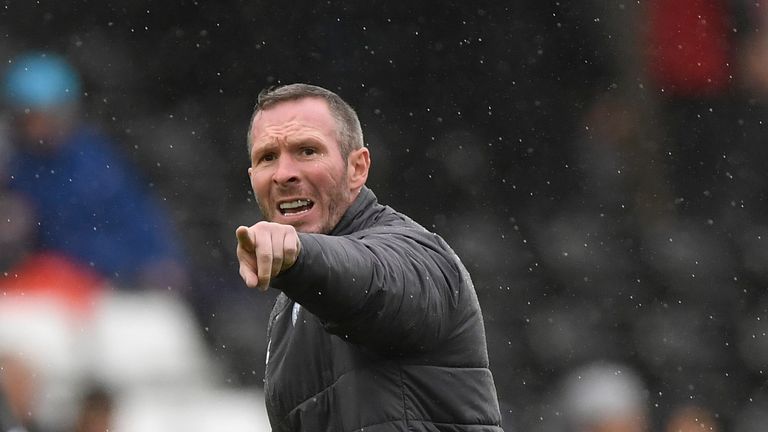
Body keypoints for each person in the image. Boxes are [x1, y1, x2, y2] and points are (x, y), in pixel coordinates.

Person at [235, 84, 503, 431]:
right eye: (267, 157)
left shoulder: (420, 254)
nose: (284, 173)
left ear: (357, 168)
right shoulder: (287, 314)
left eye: (307, 151)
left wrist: (300, 255)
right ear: (253, 176)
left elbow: (373, 280)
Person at [2, 52, 186, 290]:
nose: (38, 129)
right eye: (29, 119)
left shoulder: (94, 164)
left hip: (101, 285)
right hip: (38, 286)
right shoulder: (14, 163)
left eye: (46, 117)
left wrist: (155, 264)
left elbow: (133, 225)